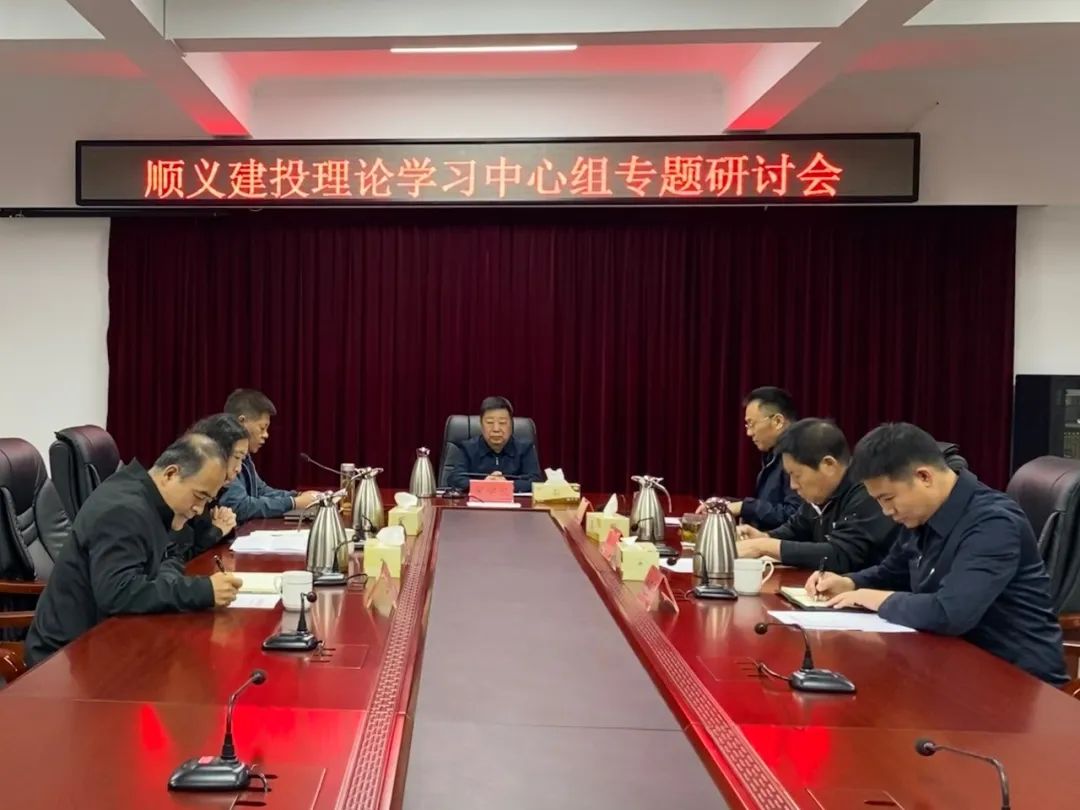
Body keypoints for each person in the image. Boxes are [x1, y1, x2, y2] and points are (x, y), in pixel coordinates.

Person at [807, 423, 1068, 686]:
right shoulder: (922, 514)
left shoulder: (993, 523)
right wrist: (850, 583)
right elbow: (892, 572)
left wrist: (874, 598)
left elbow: (950, 613)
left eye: (888, 498)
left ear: (924, 477)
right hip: (950, 663)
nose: (886, 511)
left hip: (1017, 682)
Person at [24, 434, 244, 666]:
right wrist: (203, 591)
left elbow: (171, 555)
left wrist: (169, 582)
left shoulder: (152, 499)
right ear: (170, 474)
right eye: (199, 496)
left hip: (108, 637)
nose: (199, 509)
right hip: (65, 655)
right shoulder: (124, 510)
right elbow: (117, 593)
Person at [736, 418, 898, 572]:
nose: (793, 485)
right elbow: (796, 529)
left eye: (797, 475)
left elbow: (841, 555)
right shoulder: (820, 495)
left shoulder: (868, 492)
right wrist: (765, 537)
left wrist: (763, 546)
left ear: (828, 465)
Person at [218, 388, 320, 524]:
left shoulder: (245, 455)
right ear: (241, 422)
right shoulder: (222, 454)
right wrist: (293, 503)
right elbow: (240, 506)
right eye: (262, 428)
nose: (266, 435)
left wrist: (298, 496)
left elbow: (261, 491)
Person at [173, 413, 248, 561]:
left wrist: (220, 528)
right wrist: (216, 532)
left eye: (242, 459)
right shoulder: (184, 490)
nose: (239, 469)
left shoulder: (214, 493)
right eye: (237, 457)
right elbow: (178, 557)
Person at [728, 386, 801, 531]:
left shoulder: (799, 453)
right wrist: (729, 504)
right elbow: (771, 505)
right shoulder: (773, 454)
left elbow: (795, 515)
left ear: (778, 421)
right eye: (747, 425)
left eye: (752, 424)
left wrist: (745, 507)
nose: (749, 433)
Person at [443, 396, 542, 494]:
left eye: (502, 422)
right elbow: (454, 478)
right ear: (481, 424)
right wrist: (483, 485)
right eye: (489, 422)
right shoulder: (468, 448)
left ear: (511, 424)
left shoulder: (525, 448)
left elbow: (536, 480)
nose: (496, 429)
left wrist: (507, 485)